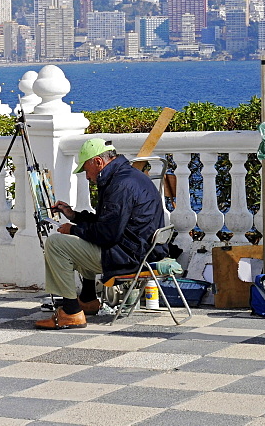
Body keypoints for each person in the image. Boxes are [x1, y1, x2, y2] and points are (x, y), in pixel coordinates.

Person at [35, 138, 167, 330]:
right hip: (139, 250)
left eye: (86, 170)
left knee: (56, 243)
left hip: (129, 257)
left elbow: (107, 235)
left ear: (98, 162)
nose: (87, 176)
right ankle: (88, 299)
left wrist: (73, 229)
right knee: (80, 239)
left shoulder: (120, 185)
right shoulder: (127, 176)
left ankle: (71, 313)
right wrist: (74, 216)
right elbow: (108, 223)